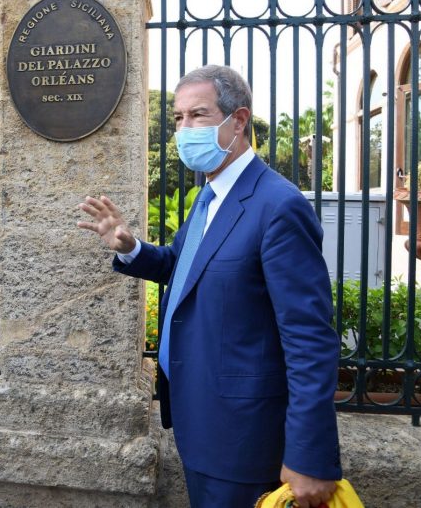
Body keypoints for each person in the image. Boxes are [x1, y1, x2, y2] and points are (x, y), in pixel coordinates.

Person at [77, 65, 341, 508]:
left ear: (238, 121)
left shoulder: (278, 206)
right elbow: (186, 267)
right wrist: (130, 247)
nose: (184, 129)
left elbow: (310, 340)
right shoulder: (211, 195)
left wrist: (310, 455)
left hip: (243, 438)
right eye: (178, 118)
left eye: (198, 115)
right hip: (200, 422)